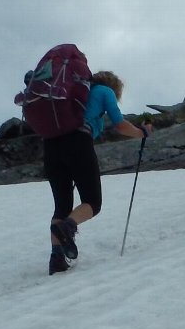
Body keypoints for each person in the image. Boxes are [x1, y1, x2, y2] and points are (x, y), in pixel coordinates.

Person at [46, 70, 152, 275]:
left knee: (62, 205)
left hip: (50, 146)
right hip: (78, 142)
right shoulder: (104, 91)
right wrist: (142, 132)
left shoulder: (67, 93)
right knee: (92, 202)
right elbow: (120, 124)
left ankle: (57, 258)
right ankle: (67, 227)